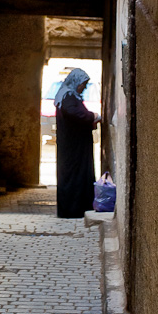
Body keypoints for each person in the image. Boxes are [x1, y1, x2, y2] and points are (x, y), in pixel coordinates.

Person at [54, 68, 100, 218]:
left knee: (79, 175)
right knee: (74, 176)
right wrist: (92, 116)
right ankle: (72, 210)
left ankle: (80, 208)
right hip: (73, 147)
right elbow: (75, 113)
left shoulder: (70, 95)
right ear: (75, 82)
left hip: (76, 145)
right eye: (83, 84)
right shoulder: (67, 96)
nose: (84, 87)